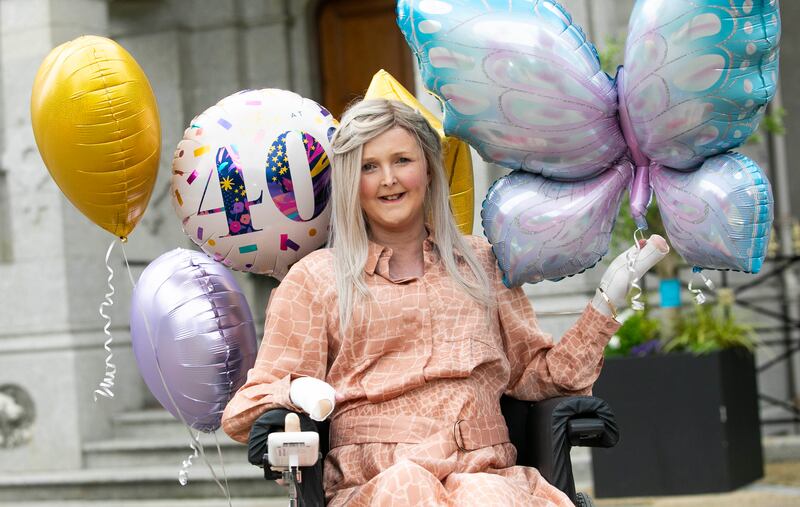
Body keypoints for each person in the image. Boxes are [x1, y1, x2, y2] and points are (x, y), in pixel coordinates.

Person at [221, 99, 669, 506]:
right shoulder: (316, 279)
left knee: (485, 497)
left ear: (430, 170)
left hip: (482, 466)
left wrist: (606, 302)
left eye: (402, 160)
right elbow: (245, 409)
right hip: (378, 481)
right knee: (409, 489)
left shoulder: (483, 263)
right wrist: (295, 391)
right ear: (348, 180)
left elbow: (538, 378)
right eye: (369, 166)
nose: (389, 179)